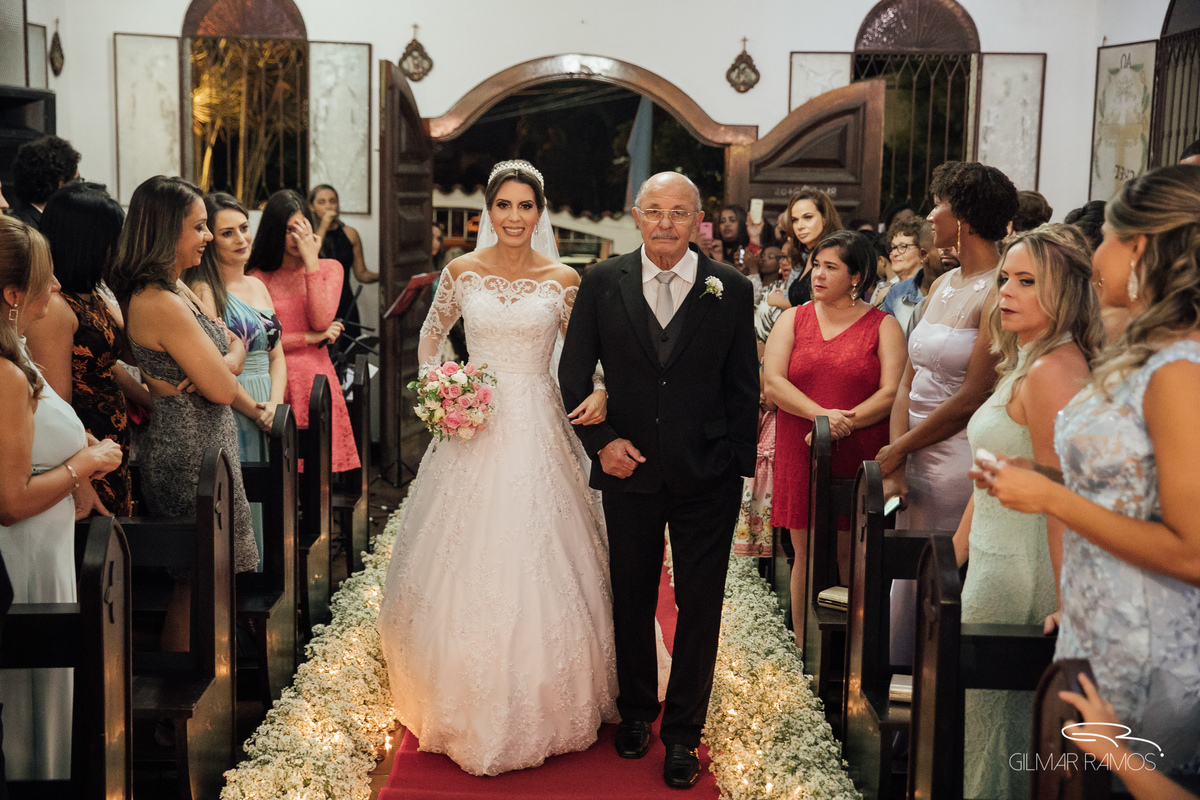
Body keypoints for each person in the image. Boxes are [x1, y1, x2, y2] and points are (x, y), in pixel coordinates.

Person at [378, 160, 615, 777]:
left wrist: (601, 390)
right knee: (464, 549)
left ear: (540, 212)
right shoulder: (461, 272)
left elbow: (589, 355)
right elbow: (431, 338)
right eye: (503, 206)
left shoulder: (565, 278)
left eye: (525, 206)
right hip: (472, 421)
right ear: (489, 211)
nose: (514, 217)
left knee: (543, 546)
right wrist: (444, 387)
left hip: (539, 417)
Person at [978, 165, 1200, 775]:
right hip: (1099, 624)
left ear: (1142, 248)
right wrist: (1044, 480)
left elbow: (1193, 552)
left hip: (1148, 642)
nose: (1094, 252)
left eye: (1106, 236)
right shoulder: (1148, 352)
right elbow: (1132, 493)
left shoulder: (1181, 369)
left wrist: (1054, 500)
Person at [560, 170, 759, 789]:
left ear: (697, 220)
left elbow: (742, 387)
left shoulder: (730, 288)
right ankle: (637, 713)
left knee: (700, 605)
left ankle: (683, 736)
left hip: (709, 478)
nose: (666, 223)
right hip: (630, 469)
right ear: (636, 216)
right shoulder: (601, 282)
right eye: (654, 212)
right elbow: (572, 374)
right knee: (631, 595)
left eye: (679, 212)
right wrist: (602, 444)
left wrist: (735, 467)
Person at [954, 225, 1102, 799]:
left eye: (1027, 281)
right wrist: (947, 560)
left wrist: (1070, 603)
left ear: (1064, 291)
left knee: (1000, 739)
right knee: (981, 729)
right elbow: (993, 476)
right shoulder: (1028, 360)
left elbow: (1062, 498)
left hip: (1023, 572)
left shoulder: (1051, 372)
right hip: (993, 561)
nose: (1007, 292)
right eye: (1005, 279)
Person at [108, 176, 261, 651]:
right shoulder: (158, 301)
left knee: (209, 579)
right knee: (193, 581)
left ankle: (210, 686)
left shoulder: (175, 285)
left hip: (208, 441)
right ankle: (183, 710)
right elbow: (219, 386)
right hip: (187, 449)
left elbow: (234, 342)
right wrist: (226, 364)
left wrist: (229, 358)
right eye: (199, 227)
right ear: (165, 231)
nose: (209, 237)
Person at [877, 161, 1018, 666]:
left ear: (962, 216)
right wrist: (896, 456)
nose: (929, 216)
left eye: (938, 205)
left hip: (956, 455)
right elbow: (908, 378)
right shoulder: (942, 284)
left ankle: (930, 695)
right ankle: (897, 686)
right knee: (905, 573)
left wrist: (900, 448)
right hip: (911, 447)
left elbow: (974, 394)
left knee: (941, 578)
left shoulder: (1003, 288)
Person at [0, 215, 123, 779]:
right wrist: (85, 465)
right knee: (27, 696)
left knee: (47, 692)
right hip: (20, 551)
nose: (57, 288)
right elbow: (10, 500)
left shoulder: (18, 352)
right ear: (12, 293)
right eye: (47, 279)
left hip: (46, 542)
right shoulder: (5, 373)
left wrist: (80, 471)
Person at [764, 230, 906, 635]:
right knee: (803, 553)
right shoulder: (795, 317)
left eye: (831, 267)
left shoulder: (883, 325)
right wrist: (822, 417)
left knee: (852, 552)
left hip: (860, 448)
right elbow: (773, 382)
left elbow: (891, 391)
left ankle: (851, 658)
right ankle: (801, 649)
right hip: (802, 444)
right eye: (816, 266)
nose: (817, 275)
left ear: (857, 276)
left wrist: (844, 422)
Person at [24, 183, 143, 517]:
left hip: (108, 439)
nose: (117, 250)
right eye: (112, 241)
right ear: (87, 242)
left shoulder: (92, 293)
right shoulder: (56, 306)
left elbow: (121, 357)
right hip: (82, 445)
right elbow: (56, 402)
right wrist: (81, 478)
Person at [187, 193, 286, 563]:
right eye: (227, 233)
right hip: (233, 403)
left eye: (244, 228)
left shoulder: (258, 285)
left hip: (267, 402)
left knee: (271, 496)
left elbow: (277, 354)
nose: (241, 239)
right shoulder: (203, 290)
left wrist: (274, 405)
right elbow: (212, 364)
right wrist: (254, 410)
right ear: (210, 238)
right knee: (240, 494)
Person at [249, 190, 360, 474]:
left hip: (314, 381)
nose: (298, 238)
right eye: (289, 230)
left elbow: (321, 321)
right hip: (271, 381)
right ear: (274, 232)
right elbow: (257, 342)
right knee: (278, 476)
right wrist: (307, 339)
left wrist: (312, 262)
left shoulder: (330, 268)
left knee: (316, 478)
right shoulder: (256, 277)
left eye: (303, 228)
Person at [309, 184, 378, 331]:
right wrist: (323, 226)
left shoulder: (350, 233)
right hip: (318, 303)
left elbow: (361, 274)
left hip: (345, 302)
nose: (328, 206)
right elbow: (310, 257)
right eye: (321, 202)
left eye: (332, 201)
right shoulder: (309, 235)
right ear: (312, 207)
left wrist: (384, 276)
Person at [782, 189, 842, 309]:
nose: (800, 226)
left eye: (808, 217)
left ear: (824, 218)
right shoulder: (808, 255)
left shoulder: (835, 254)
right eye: (795, 220)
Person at [880, 220, 941, 334]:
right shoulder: (893, 292)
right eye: (893, 247)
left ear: (922, 251)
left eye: (903, 246)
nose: (895, 253)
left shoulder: (944, 282)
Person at [8, 136, 81, 231]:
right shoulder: (33, 232)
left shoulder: (21, 221)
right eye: (77, 180)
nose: (80, 187)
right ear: (61, 182)